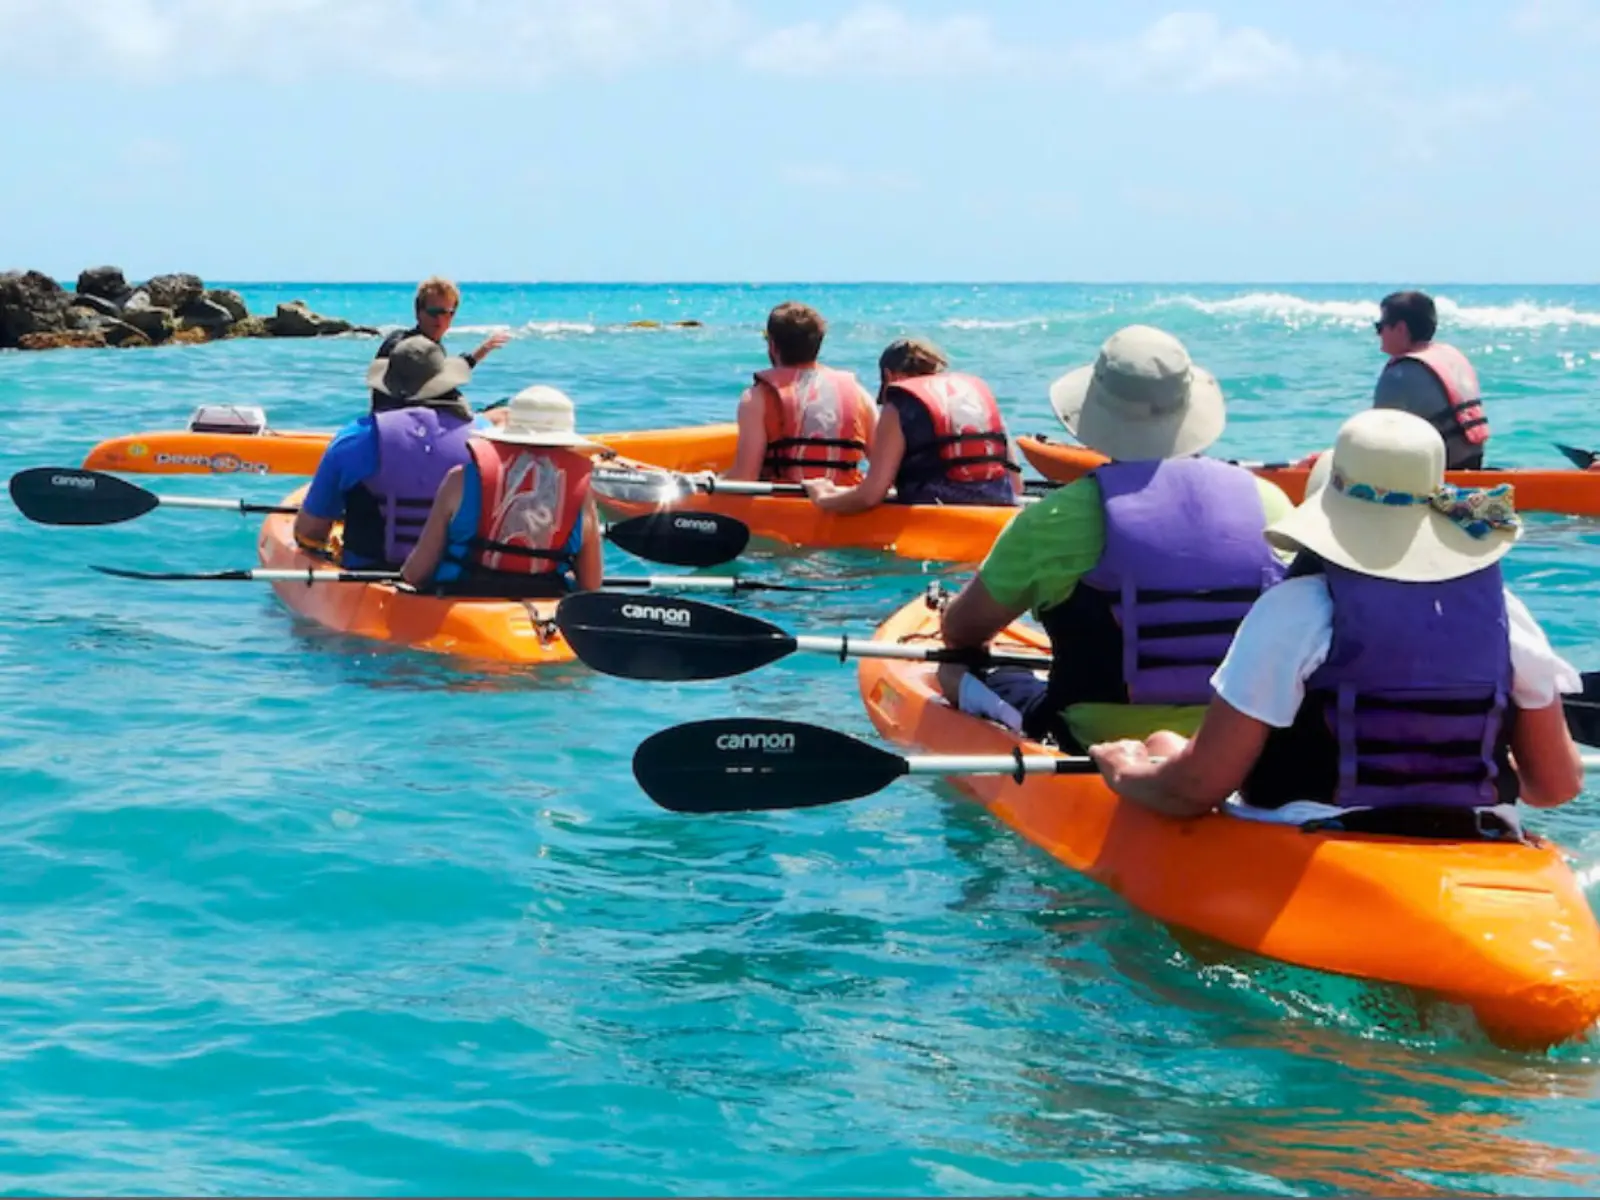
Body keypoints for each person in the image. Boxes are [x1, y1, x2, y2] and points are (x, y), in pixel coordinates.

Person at [1088, 408, 1583, 833]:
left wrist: (1124, 773)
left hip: (1318, 840)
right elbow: (1556, 786)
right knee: (1166, 744)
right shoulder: (1508, 616)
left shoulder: (1296, 610)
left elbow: (1196, 789)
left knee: (1161, 748)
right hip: (1481, 836)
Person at [935, 325, 1294, 752]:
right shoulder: (1270, 502)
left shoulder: (1056, 516)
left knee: (952, 670)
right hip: (1243, 741)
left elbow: (963, 632)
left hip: (1097, 740)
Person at [401, 385, 606, 596]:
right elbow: (591, 583)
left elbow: (416, 574)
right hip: (543, 604)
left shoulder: (459, 479)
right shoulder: (582, 495)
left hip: (461, 599)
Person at [294, 336, 476, 568]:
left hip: (372, 574)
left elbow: (310, 531)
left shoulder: (355, 438)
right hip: (460, 580)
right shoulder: (484, 437)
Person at [802, 337, 1022, 512]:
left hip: (936, 518)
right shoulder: (978, 398)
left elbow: (870, 496)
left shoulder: (899, 406)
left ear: (889, 375)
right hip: (998, 514)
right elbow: (1016, 485)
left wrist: (824, 497)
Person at [725, 301, 876, 484]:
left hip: (783, 507)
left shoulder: (756, 399)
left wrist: (705, 481)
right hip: (845, 506)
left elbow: (744, 477)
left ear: (773, 346)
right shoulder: (859, 395)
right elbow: (885, 469)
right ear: (818, 344)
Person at [1372, 289, 1489, 470]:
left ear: (1401, 329)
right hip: (1471, 464)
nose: (1378, 334)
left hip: (1435, 474)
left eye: (1380, 327)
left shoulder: (1399, 375)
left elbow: (1376, 440)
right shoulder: (1451, 356)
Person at [372, 276, 510, 414]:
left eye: (446, 313)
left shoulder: (431, 348)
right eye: (433, 313)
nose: (439, 319)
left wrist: (481, 351)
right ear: (418, 312)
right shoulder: (405, 349)